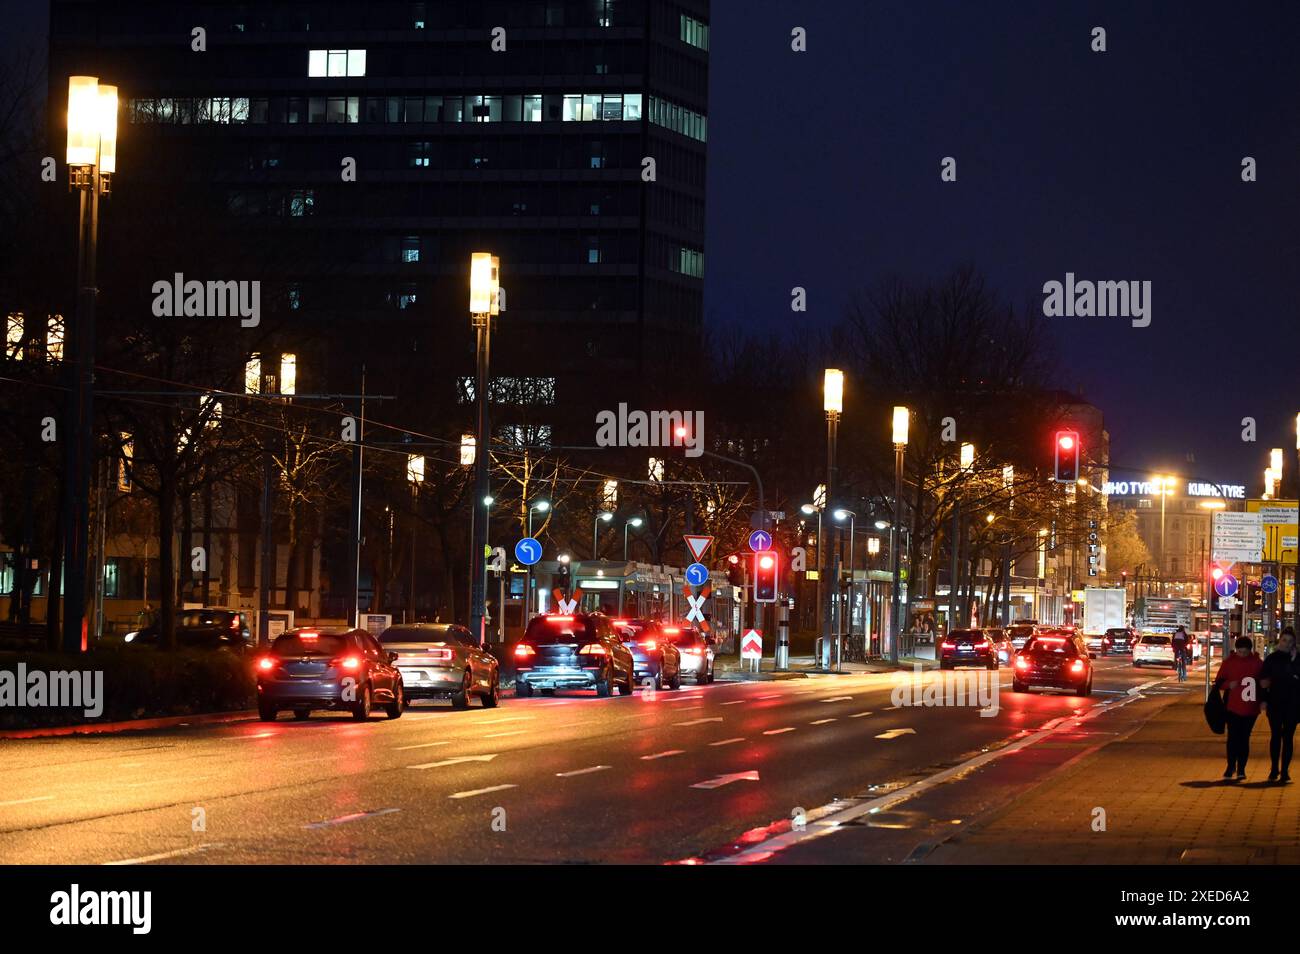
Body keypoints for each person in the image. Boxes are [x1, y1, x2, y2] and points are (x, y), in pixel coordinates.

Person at [1214, 635, 1263, 780]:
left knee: (1244, 738)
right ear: (1236, 650)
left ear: (1250, 650)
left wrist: (1263, 700)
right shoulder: (1229, 662)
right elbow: (1219, 682)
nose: (1242, 655)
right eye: (1240, 652)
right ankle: (1231, 767)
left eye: (1245, 652)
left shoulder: (1257, 663)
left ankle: (1241, 768)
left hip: (1251, 707)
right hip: (1232, 706)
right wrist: (1229, 684)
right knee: (1233, 737)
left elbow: (1263, 684)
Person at [1261, 626, 1300, 782]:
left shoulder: (1298, 659)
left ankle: (1285, 771)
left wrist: (1292, 661)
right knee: (1276, 735)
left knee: (1288, 737)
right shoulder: (1272, 658)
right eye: (1284, 640)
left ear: (1294, 642)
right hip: (1275, 702)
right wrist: (1263, 700)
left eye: (1290, 641)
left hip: (1293, 703)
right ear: (1280, 640)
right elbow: (1263, 680)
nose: (1287, 643)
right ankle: (1274, 768)